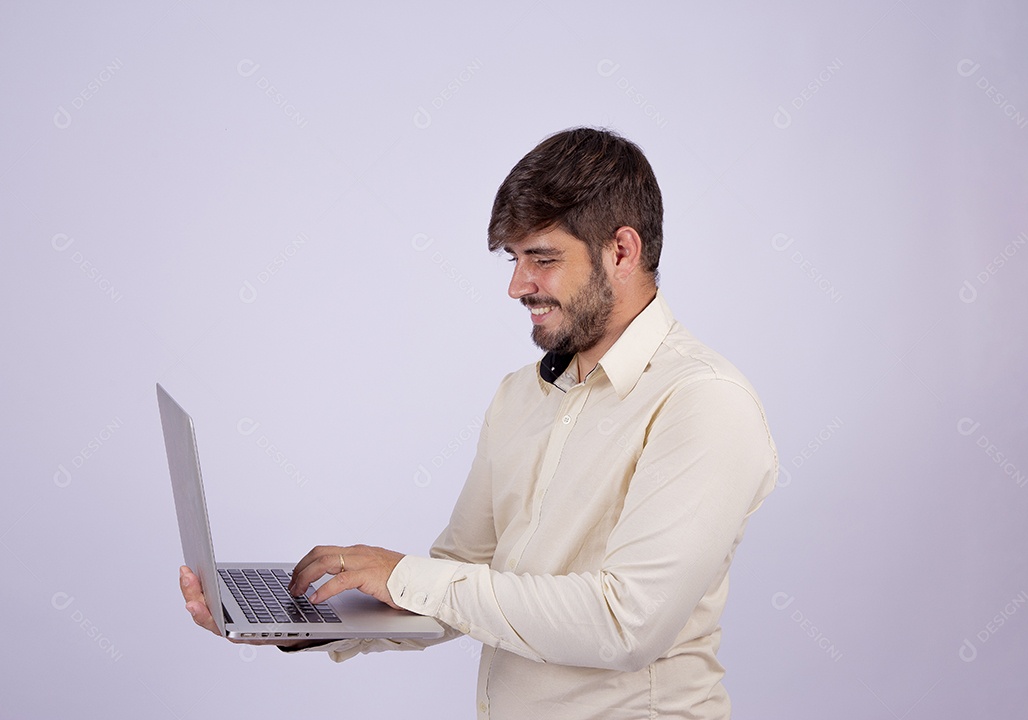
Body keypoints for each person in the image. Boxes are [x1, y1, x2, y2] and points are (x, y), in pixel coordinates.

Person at [180, 127, 778, 719]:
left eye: (542, 259)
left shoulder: (704, 402)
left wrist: (408, 576)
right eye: (514, 260)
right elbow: (461, 583)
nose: (518, 286)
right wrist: (297, 623)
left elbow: (627, 623)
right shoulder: (520, 395)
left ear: (622, 252)